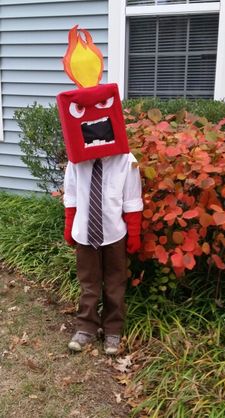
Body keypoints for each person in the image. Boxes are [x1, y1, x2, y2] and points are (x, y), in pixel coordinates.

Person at [57, 26, 143, 355]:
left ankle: (114, 329)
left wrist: (132, 232)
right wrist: (70, 222)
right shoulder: (75, 161)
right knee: (89, 282)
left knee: (116, 282)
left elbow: (132, 198)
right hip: (85, 232)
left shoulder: (125, 160)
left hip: (114, 232)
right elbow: (74, 194)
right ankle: (85, 326)